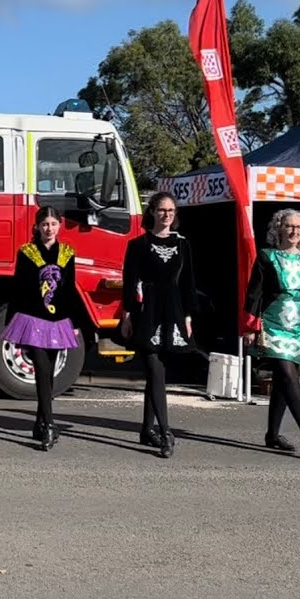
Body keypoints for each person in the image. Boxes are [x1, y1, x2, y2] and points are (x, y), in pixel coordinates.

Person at [119, 192, 197, 459]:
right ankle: (165, 432)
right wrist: (127, 314)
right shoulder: (138, 244)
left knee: (157, 374)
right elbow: (130, 281)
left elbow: (188, 283)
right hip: (147, 312)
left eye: (171, 211)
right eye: (162, 210)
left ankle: (146, 429)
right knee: (155, 372)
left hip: (173, 311)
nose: (166, 215)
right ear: (152, 211)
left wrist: (188, 317)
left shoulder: (183, 244)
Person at [243, 208, 300, 460]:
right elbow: (254, 293)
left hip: (298, 325)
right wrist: (249, 326)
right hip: (272, 321)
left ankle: (273, 434)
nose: (294, 232)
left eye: (298, 228)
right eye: (289, 226)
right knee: (288, 376)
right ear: (279, 228)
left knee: (282, 379)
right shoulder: (267, 257)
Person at [1, 207, 83, 451]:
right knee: (41, 369)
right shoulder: (27, 252)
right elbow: (18, 287)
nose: (49, 228)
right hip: (32, 318)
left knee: (49, 375)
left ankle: (39, 422)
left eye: (53, 224)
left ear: (60, 226)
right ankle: (48, 424)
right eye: (45, 224)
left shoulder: (68, 253)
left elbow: (70, 289)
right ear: (37, 226)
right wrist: (11, 320)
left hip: (58, 321)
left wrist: (75, 322)